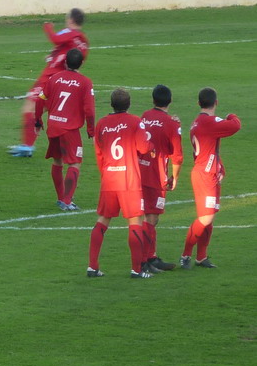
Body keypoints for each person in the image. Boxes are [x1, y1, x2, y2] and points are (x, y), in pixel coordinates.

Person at [87, 89, 153, 279]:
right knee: (135, 222)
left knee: (102, 221)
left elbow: (98, 153)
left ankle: (92, 267)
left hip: (109, 178)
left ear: (111, 104)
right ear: (129, 104)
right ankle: (136, 270)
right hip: (129, 180)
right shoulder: (134, 121)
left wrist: (105, 173)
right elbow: (143, 147)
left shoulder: (102, 124)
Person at [9, 8, 88, 157]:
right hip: (64, 81)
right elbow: (75, 59)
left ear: (71, 20)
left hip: (50, 78)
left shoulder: (70, 32)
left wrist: (48, 27)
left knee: (30, 107)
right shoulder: (83, 42)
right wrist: (55, 56)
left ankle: (28, 147)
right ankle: (34, 146)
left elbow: (56, 39)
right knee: (47, 111)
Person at [179, 87, 241, 270]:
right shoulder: (211, 122)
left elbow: (208, 148)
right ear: (216, 102)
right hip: (204, 176)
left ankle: (201, 256)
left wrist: (218, 165)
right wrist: (232, 115)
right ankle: (185, 255)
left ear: (198, 103)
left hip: (208, 173)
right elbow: (235, 125)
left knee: (209, 217)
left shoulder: (197, 122)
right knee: (205, 218)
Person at [36, 48, 95, 212]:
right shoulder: (85, 82)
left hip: (53, 125)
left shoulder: (54, 78)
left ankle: (61, 197)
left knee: (57, 161)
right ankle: (67, 201)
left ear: (65, 62)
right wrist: (91, 129)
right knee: (75, 163)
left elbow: (40, 100)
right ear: (82, 63)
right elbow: (89, 110)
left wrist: (38, 119)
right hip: (69, 129)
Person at [138, 85, 184, 272]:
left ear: (153, 99)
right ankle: (145, 260)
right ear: (170, 101)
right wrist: (175, 177)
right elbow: (178, 156)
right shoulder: (172, 123)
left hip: (139, 171)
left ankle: (151, 257)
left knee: (148, 215)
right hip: (156, 175)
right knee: (152, 217)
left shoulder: (144, 116)